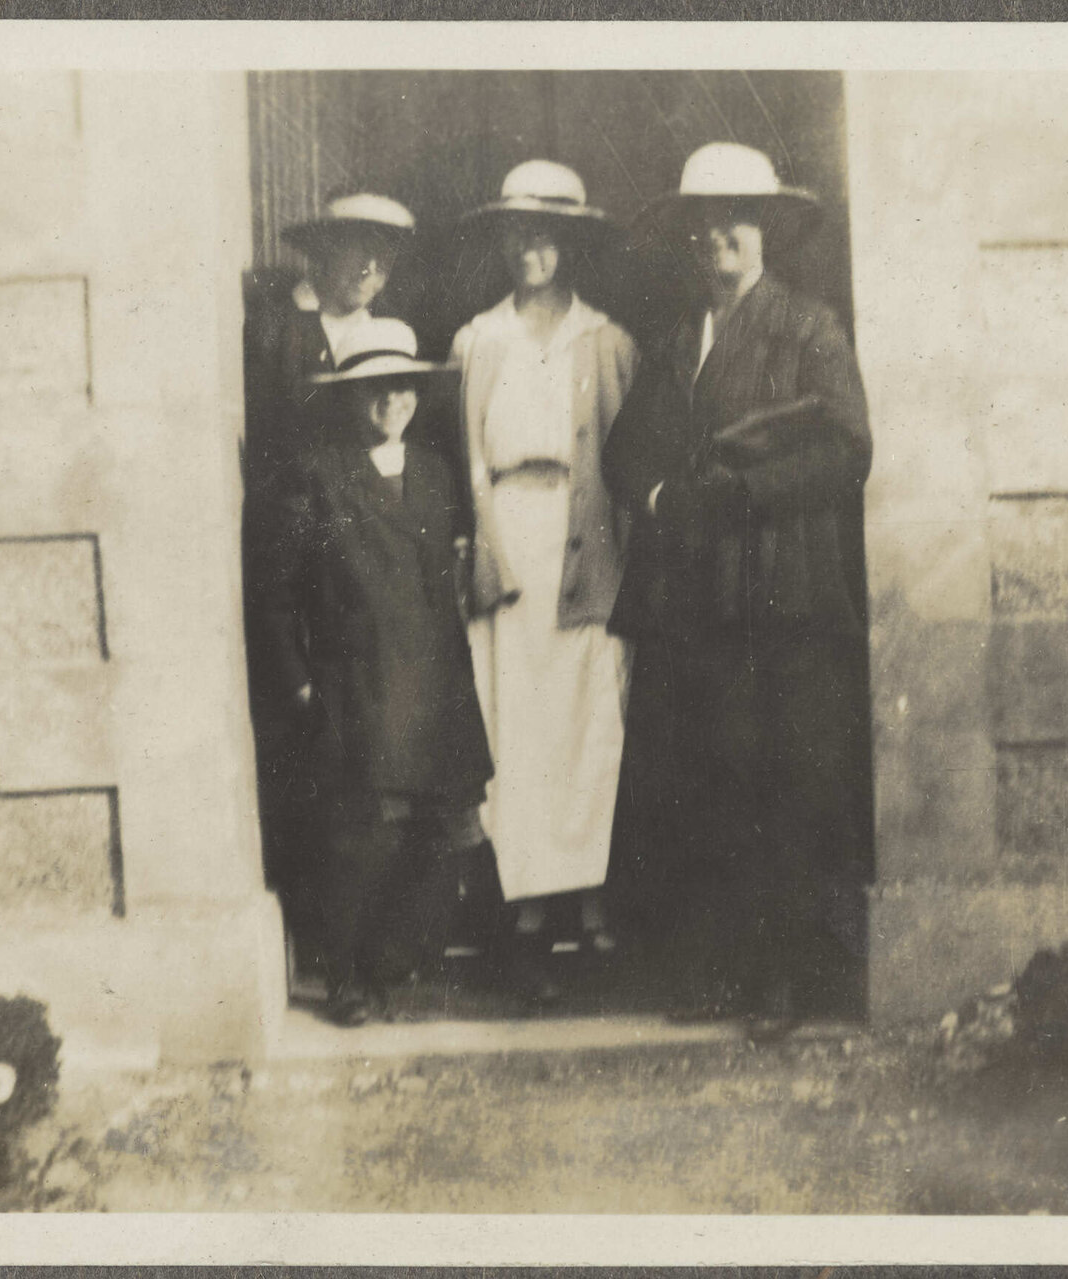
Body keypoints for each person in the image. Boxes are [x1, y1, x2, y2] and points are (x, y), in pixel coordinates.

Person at [603, 142, 876, 1043]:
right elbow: (626, 452)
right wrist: (660, 499)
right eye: (703, 221)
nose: (718, 234)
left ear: (767, 232)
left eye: (737, 218)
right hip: (695, 594)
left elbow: (847, 448)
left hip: (780, 589)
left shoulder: (807, 328)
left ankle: (783, 979)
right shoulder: (678, 340)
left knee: (782, 781)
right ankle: (721, 971)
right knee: (708, 780)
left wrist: (744, 494)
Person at [256, 317, 495, 1027]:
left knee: (436, 836)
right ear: (346, 396)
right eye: (374, 389)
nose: (392, 401)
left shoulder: (434, 472)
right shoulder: (317, 476)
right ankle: (345, 976)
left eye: (403, 387)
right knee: (360, 839)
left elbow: (443, 585)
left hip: (433, 681)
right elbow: (275, 594)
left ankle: (391, 963)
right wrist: (300, 681)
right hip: (357, 682)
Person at [451, 160, 639, 1002]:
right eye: (518, 234)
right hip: (510, 541)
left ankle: (590, 903)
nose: (532, 249)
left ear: (569, 245)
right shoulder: (477, 340)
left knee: (587, 719)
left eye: (547, 235)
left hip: (582, 544)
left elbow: (626, 467)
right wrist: (484, 550)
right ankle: (526, 914)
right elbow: (464, 458)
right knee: (516, 726)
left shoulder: (606, 340)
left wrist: (619, 564)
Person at [242, 192, 417, 987]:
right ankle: (318, 935)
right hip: (298, 538)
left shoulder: (388, 338)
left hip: (364, 545)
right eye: (358, 248)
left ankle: (371, 939)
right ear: (324, 251)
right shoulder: (278, 332)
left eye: (384, 253)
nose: (371, 267)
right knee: (307, 731)